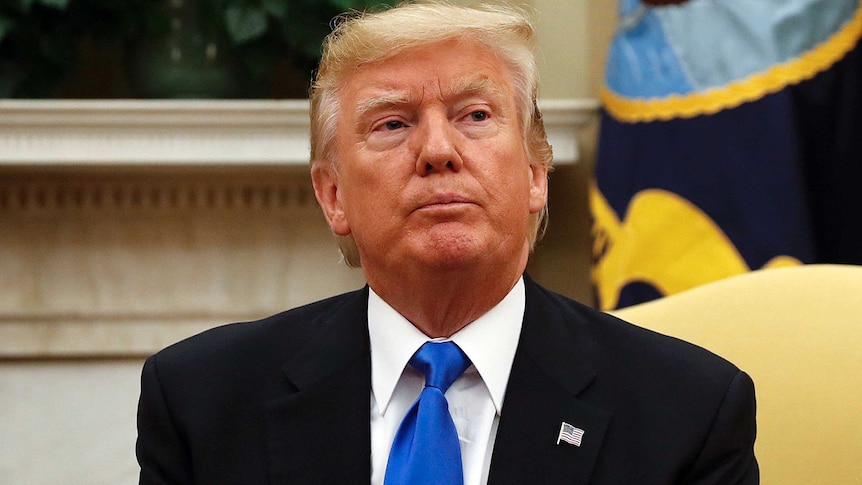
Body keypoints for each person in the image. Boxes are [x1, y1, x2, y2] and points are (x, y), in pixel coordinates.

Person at [136, 2, 758, 484]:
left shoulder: (686, 412)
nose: (437, 152)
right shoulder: (204, 404)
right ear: (333, 197)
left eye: (475, 116)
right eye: (393, 123)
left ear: (536, 175)